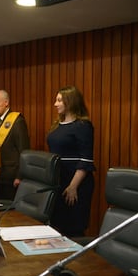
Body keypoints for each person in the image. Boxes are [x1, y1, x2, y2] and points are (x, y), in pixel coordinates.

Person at [46, 86, 95, 237]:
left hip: (75, 182)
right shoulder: (57, 124)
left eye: (59, 100)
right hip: (58, 180)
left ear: (71, 101)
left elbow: (85, 159)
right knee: (56, 225)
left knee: (73, 227)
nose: (55, 104)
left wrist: (73, 186)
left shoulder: (83, 126)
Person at [0, 90, 30, 200]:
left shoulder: (17, 121)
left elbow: (24, 151)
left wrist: (20, 176)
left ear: (6, 103)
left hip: (10, 176)